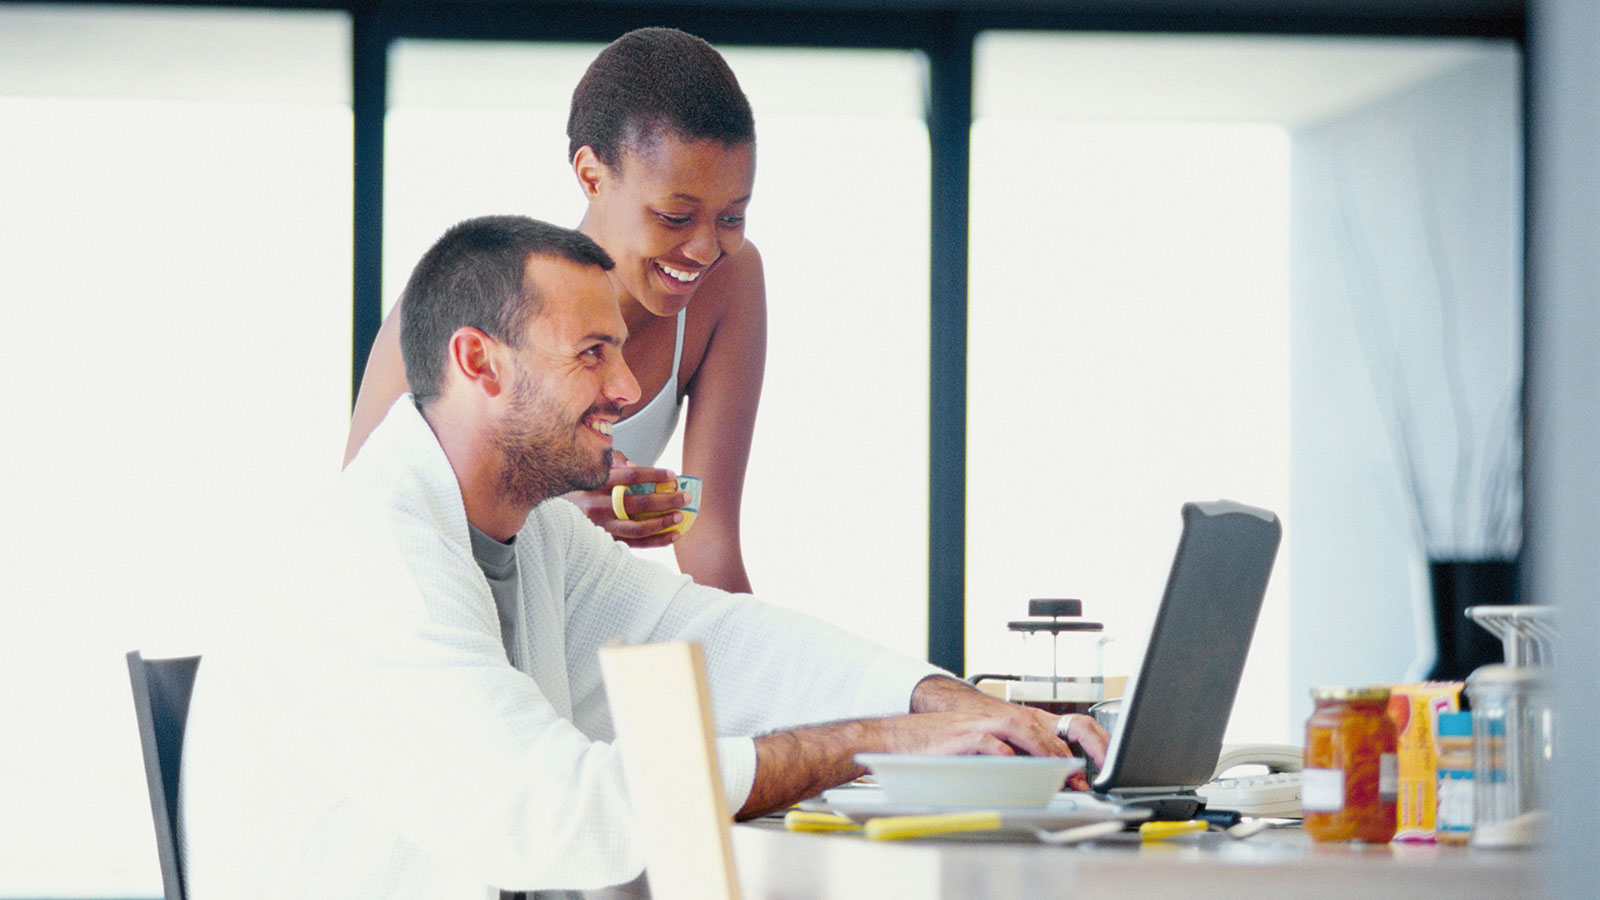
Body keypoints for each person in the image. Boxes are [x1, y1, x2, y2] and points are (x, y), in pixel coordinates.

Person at [180, 216, 1108, 899]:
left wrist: (947, 704)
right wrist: (880, 745)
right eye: (593, 354)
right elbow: (566, 822)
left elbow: (715, 637)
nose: (628, 390)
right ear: (480, 362)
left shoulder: (530, 533)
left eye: (622, 352)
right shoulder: (371, 557)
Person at [345, 27, 764, 594]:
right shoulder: (465, 303)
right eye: (674, 217)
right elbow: (358, 522)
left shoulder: (729, 282)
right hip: (432, 611)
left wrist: (777, 673)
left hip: (562, 619)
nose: (704, 248)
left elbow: (707, 537)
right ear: (591, 175)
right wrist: (550, 518)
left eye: (732, 218)